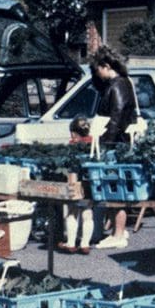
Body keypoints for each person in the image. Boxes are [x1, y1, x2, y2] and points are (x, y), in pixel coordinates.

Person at [90, 46, 138, 250]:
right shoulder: (120, 83)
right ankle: (117, 231)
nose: (97, 74)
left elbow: (116, 117)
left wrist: (107, 143)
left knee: (114, 187)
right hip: (118, 142)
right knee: (113, 187)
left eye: (97, 69)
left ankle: (118, 234)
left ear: (106, 66)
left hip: (115, 144)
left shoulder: (117, 85)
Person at [58, 117, 95, 254]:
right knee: (87, 213)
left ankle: (71, 243)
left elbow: (69, 166)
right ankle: (85, 244)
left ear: (74, 132)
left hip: (75, 181)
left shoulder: (72, 146)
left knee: (72, 212)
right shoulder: (93, 144)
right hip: (90, 183)